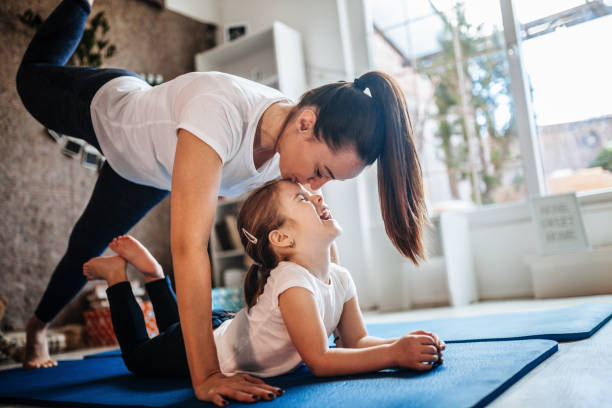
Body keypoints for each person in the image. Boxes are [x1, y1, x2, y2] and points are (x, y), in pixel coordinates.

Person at [16, 0, 427, 405]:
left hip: (144, 174)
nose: (317, 186)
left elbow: (320, 251)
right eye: (321, 171)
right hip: (109, 112)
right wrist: (208, 375)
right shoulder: (219, 112)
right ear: (306, 123)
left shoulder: (292, 152)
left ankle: (35, 330)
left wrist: (340, 318)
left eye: (328, 179)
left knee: (83, 248)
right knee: (29, 80)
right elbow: (189, 248)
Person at [82, 180, 444, 406]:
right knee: (138, 358)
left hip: (223, 328)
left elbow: (356, 340)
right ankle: (118, 279)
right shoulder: (292, 280)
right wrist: (395, 355)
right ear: (281, 239)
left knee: (177, 327)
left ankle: (154, 276)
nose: (317, 198)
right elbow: (320, 360)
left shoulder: (340, 277)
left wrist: (400, 343)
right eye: (303, 199)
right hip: (212, 350)